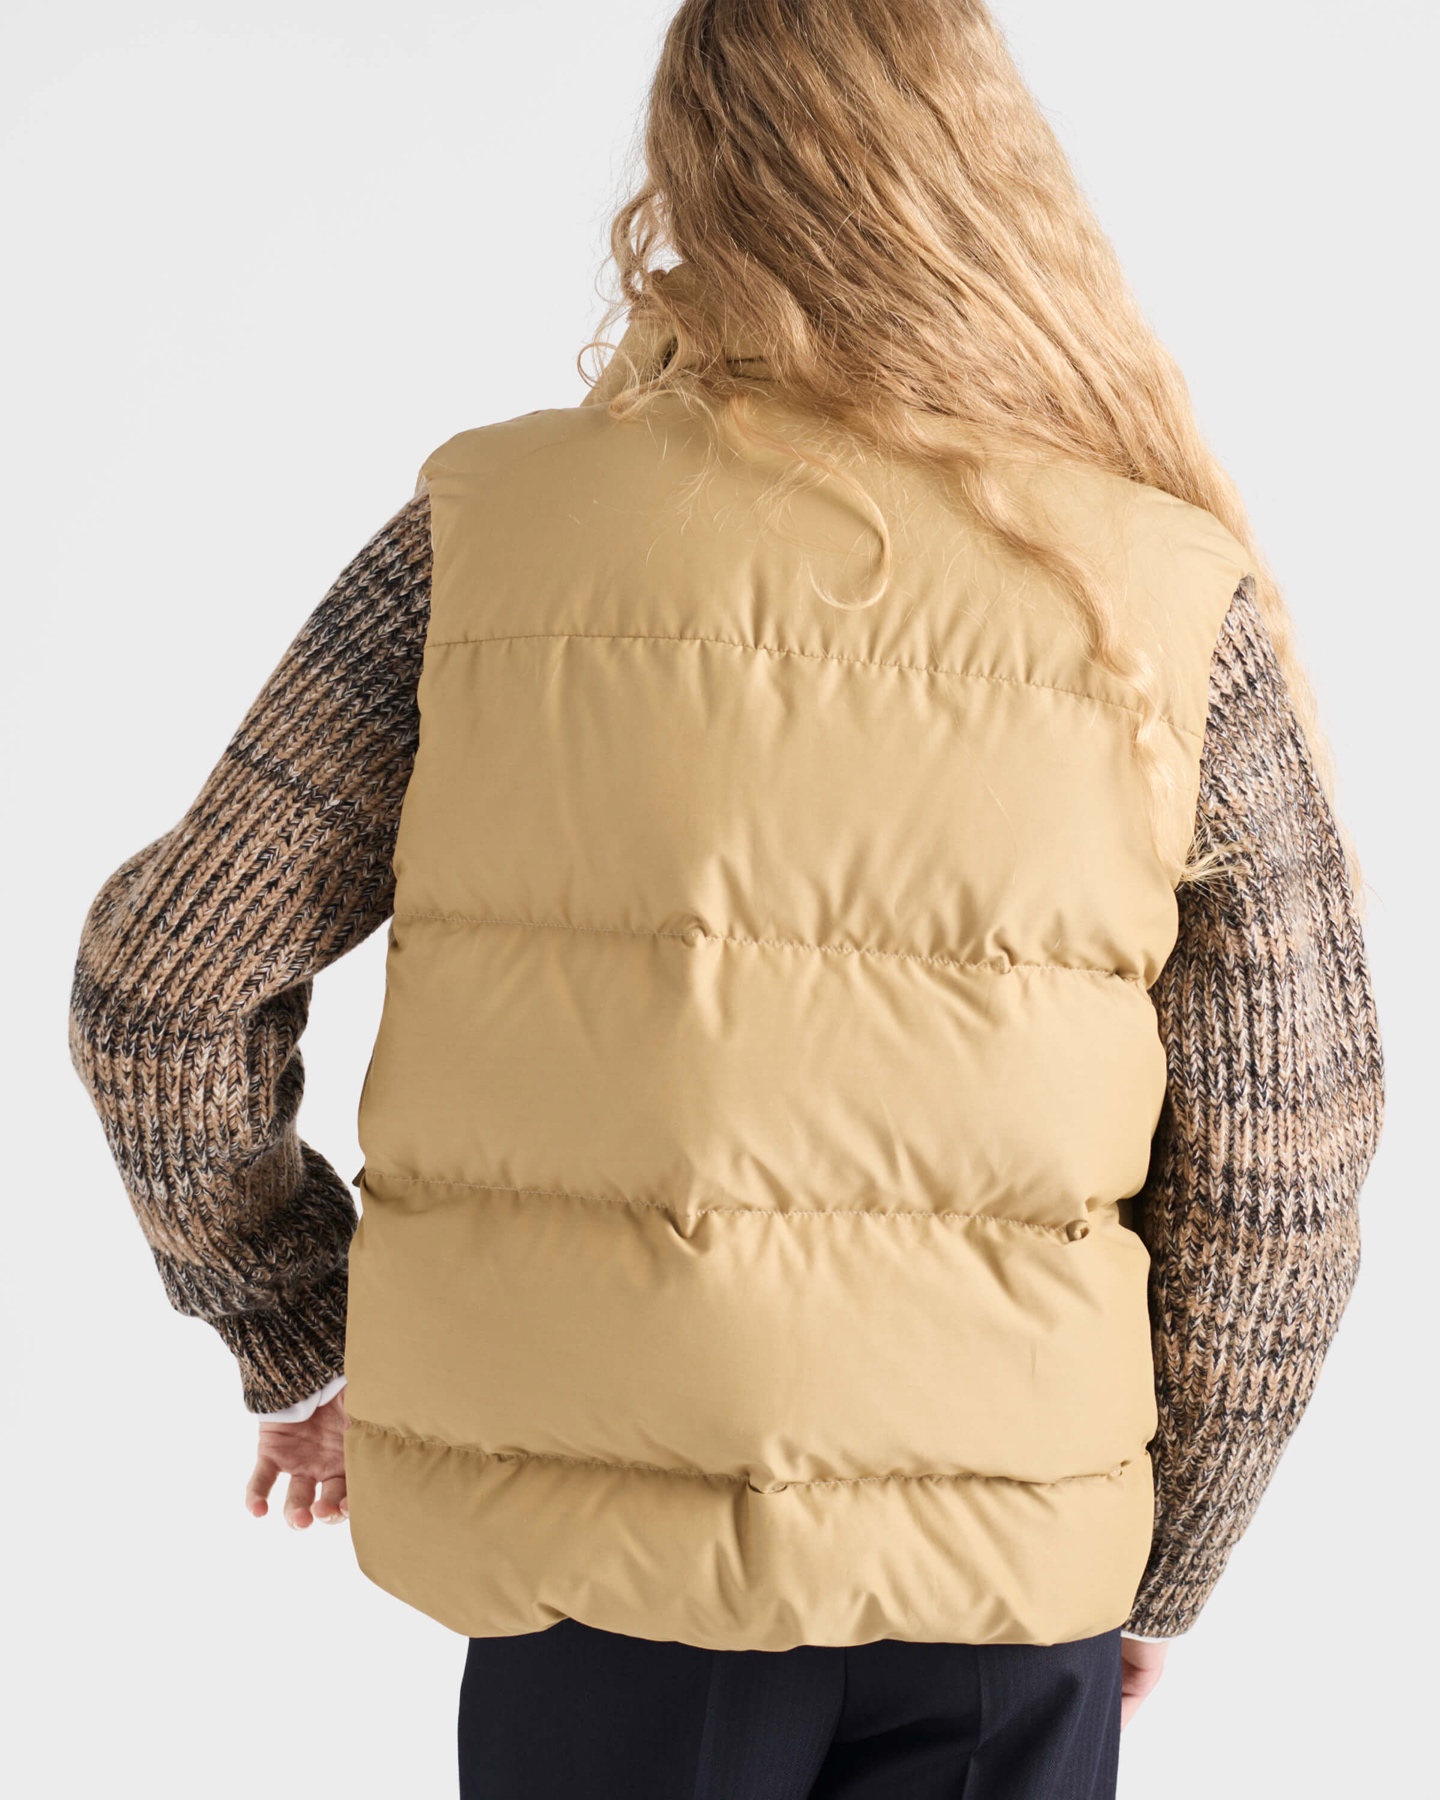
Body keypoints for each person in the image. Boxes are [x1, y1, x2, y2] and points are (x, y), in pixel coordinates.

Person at [69, 3, 1384, 1795]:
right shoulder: (1157, 589)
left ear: (691, 169)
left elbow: (163, 984)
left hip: (600, 1577)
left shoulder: (489, 535)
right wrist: (1169, 1551)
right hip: (1004, 1588)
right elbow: (1288, 1151)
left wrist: (297, 1328)